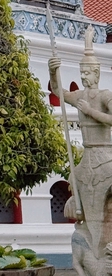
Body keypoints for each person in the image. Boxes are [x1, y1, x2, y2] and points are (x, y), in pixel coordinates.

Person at [49, 26, 112, 256]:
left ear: (96, 73)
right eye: (81, 73)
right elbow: (58, 90)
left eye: (87, 73)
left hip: (105, 153)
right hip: (86, 155)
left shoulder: (105, 95)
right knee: (75, 184)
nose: (84, 77)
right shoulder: (80, 96)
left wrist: (91, 112)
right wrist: (52, 70)